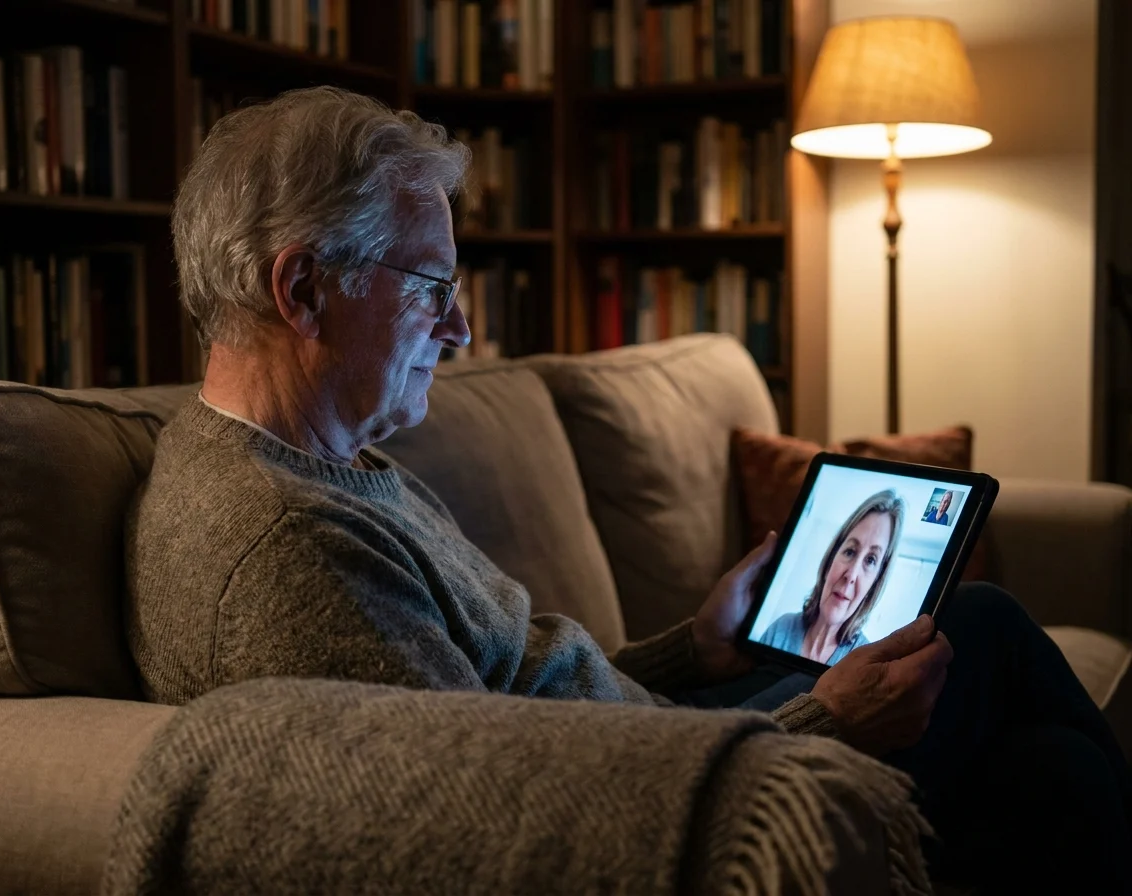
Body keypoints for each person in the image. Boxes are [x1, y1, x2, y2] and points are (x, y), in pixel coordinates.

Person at [125, 87, 1132, 893]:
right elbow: (489, 819)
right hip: (666, 793)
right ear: (302, 289)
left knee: (1059, 777)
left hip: (645, 734)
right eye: (434, 286)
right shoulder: (288, 550)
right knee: (991, 634)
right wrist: (825, 723)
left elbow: (507, 694)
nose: (463, 329)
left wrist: (691, 648)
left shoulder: (320, 461)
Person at [757, 490, 903, 663]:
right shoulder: (781, 628)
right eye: (850, 551)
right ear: (829, 562)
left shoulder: (866, 663)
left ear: (874, 585)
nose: (851, 575)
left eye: (870, 560)